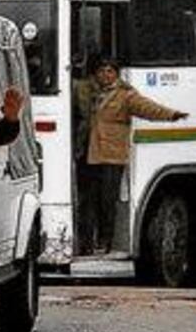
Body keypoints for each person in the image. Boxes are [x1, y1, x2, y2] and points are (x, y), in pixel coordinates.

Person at [75, 58, 188, 255]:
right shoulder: (89, 92)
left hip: (111, 155)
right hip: (88, 154)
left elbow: (147, 108)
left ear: (116, 74)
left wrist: (171, 114)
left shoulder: (125, 95)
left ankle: (105, 240)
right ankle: (86, 242)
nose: (105, 75)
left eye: (110, 71)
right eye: (102, 71)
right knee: (88, 201)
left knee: (107, 202)